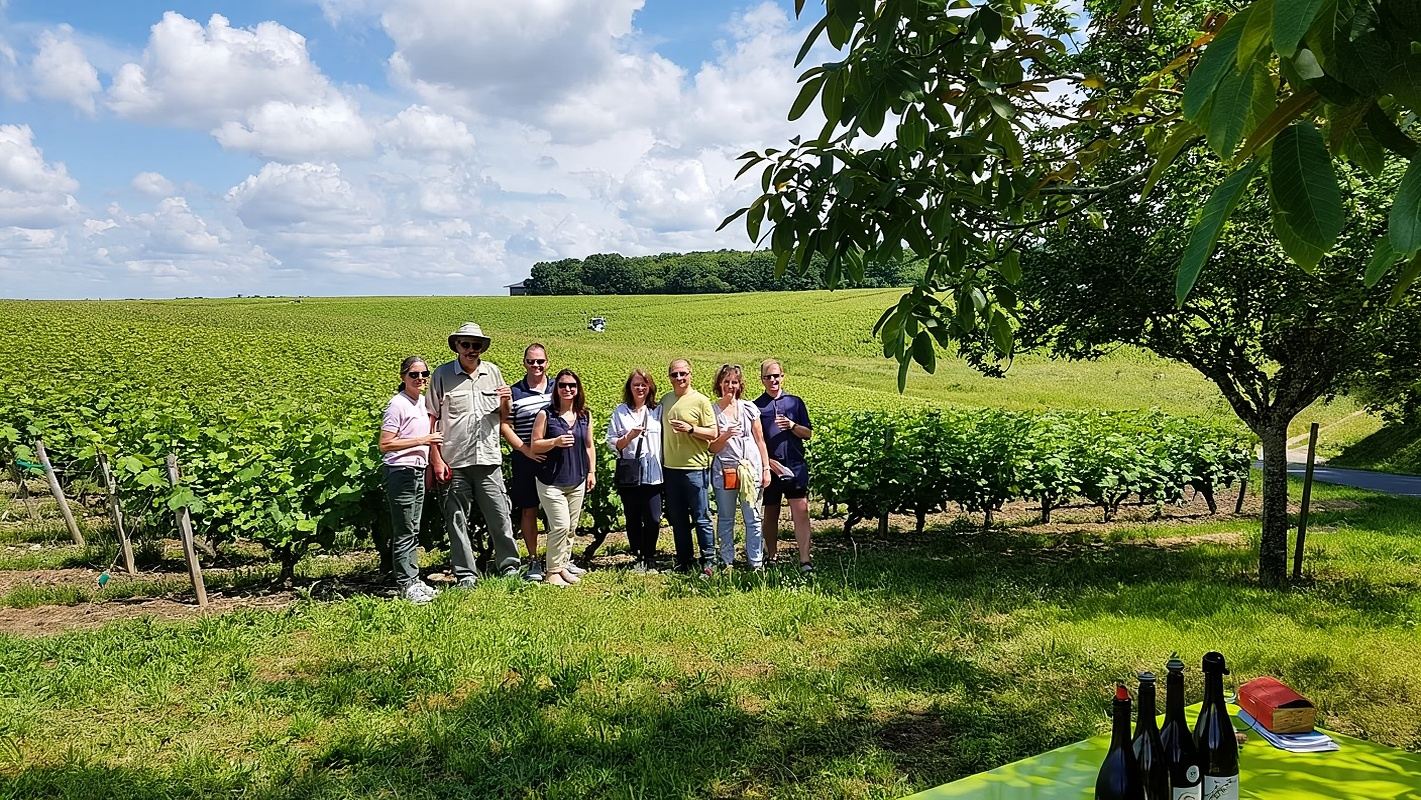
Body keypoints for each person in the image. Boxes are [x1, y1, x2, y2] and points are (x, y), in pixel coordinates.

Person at [427, 322, 522, 587]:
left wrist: (505, 399)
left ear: (482, 348)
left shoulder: (493, 372)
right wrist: (435, 457)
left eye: (476, 345)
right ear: (457, 346)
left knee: (500, 515)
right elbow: (431, 417)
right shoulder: (442, 375)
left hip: (488, 457)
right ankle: (465, 574)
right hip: (453, 459)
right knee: (456, 519)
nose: (471, 349)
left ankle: (509, 567)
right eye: (465, 344)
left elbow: (505, 415)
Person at [378, 356, 443, 603]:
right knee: (405, 529)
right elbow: (385, 444)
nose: (420, 379)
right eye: (414, 375)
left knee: (413, 527)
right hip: (401, 472)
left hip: (416, 470)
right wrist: (422, 441)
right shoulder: (398, 404)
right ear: (403, 377)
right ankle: (406, 583)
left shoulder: (421, 402)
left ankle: (413, 580)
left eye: (424, 374)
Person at [530, 369, 596, 587]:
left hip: (576, 478)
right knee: (560, 525)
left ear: (578, 389)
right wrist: (555, 442)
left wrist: (591, 471)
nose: (567, 389)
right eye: (562, 385)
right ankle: (552, 572)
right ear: (555, 389)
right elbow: (535, 444)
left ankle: (563, 565)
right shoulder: (546, 414)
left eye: (572, 386)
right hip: (551, 481)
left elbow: (589, 445)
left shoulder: (584, 415)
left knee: (571, 528)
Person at [754, 359, 815, 574]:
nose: (773, 380)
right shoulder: (756, 406)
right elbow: (755, 441)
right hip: (770, 470)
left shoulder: (795, 403)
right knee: (771, 514)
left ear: (783, 376)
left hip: (795, 467)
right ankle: (772, 557)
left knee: (801, 512)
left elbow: (807, 433)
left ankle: (805, 560)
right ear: (761, 380)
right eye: (768, 377)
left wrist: (792, 425)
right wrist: (767, 462)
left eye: (776, 376)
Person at [500, 342, 554, 582]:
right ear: (524, 363)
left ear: (547, 362)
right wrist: (525, 450)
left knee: (557, 511)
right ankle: (533, 560)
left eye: (540, 361)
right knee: (529, 509)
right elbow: (505, 425)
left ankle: (558, 559)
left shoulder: (559, 387)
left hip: (556, 459)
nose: (536, 365)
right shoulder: (514, 392)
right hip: (525, 460)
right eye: (531, 361)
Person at [659, 358, 718, 575]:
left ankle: (709, 560)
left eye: (683, 373)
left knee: (702, 516)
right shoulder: (665, 400)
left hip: (696, 468)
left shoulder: (701, 401)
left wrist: (691, 429)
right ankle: (684, 561)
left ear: (690, 374)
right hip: (670, 469)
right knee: (678, 518)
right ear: (670, 377)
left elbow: (713, 433)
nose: (679, 378)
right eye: (675, 374)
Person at [709, 364, 771, 571]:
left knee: (752, 517)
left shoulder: (749, 408)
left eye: (734, 382)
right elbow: (712, 448)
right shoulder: (712, 410)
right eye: (726, 381)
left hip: (750, 469)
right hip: (724, 470)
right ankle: (726, 560)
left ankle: (756, 562)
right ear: (719, 384)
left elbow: (760, 440)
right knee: (726, 518)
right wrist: (725, 435)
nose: (730, 386)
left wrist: (765, 469)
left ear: (740, 384)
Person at [607, 368, 664, 573]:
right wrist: (628, 437)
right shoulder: (620, 411)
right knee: (632, 516)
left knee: (653, 516)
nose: (640, 388)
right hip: (630, 472)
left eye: (644, 384)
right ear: (629, 388)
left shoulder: (658, 410)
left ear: (650, 387)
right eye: (636, 385)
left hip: (654, 472)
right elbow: (612, 443)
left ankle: (650, 554)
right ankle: (638, 554)